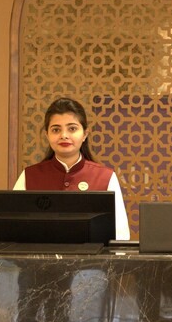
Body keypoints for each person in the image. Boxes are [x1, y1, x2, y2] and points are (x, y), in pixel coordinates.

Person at [13, 96, 130, 241]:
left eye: (72, 129)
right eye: (56, 130)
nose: (64, 135)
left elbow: (120, 235)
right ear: (47, 135)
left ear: (85, 134)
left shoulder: (105, 177)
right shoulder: (29, 176)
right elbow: (13, 229)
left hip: (94, 256)